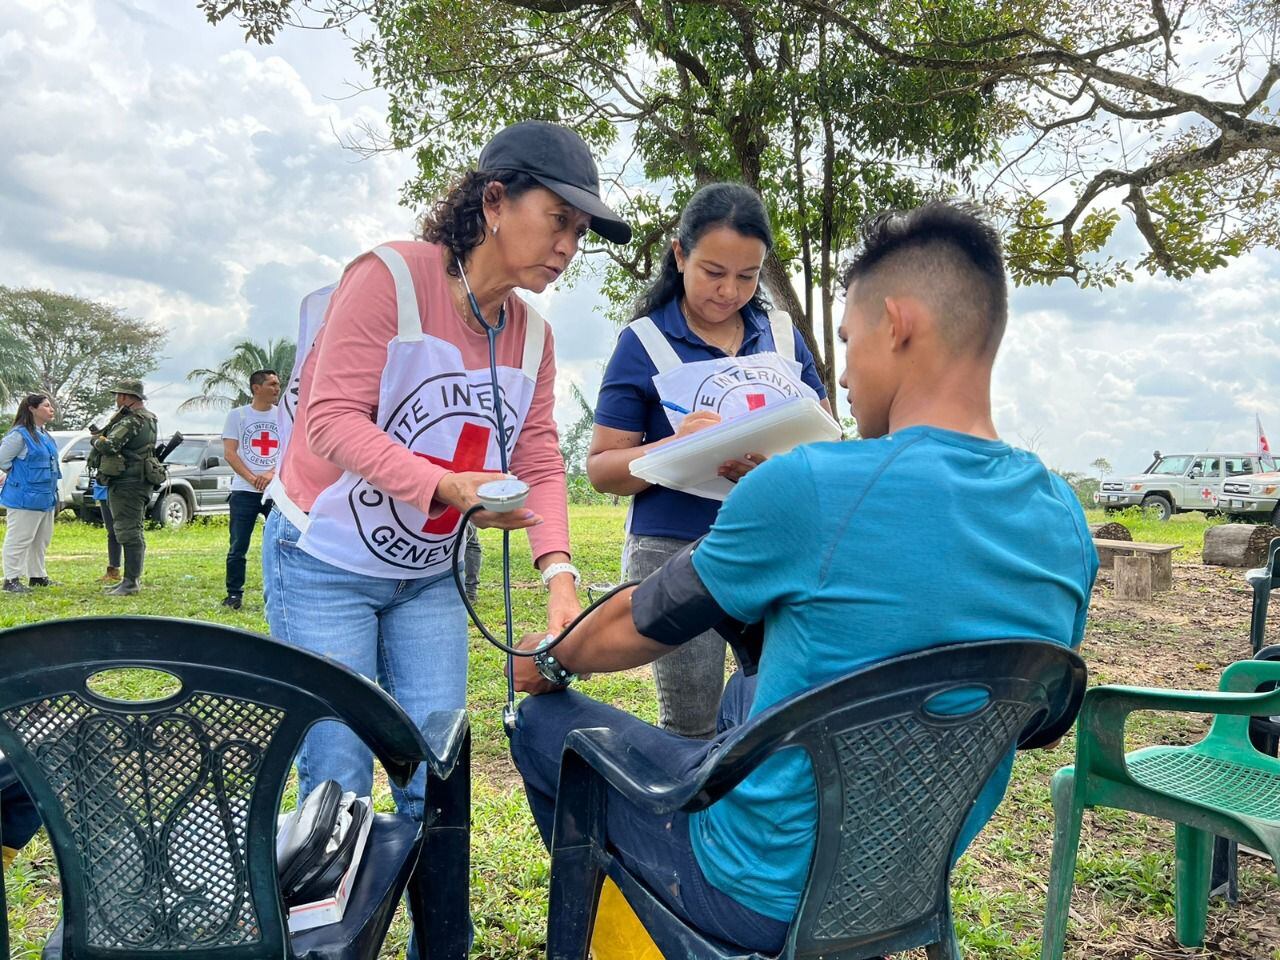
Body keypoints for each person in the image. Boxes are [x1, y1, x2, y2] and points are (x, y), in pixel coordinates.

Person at [509, 200, 1098, 953]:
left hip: (752, 890)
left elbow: (636, 622)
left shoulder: (813, 486)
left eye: (849, 343)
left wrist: (550, 658)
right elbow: (1036, 725)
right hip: (907, 881)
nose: (843, 378)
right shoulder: (1065, 522)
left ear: (899, 323)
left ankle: (640, 936)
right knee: (743, 694)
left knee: (538, 724)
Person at [262, 121, 631, 953]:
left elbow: (538, 452)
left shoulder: (531, 333)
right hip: (324, 561)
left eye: (581, 232)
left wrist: (561, 575)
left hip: (428, 573)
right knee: (338, 778)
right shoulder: (390, 278)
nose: (569, 246)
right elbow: (328, 421)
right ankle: (330, 946)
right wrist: (446, 486)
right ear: (494, 200)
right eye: (560, 219)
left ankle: (442, 945)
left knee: (436, 764)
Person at [587, 182, 829, 738]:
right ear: (679, 255)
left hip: (773, 546)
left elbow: (824, 439)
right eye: (713, 272)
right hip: (671, 553)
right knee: (690, 725)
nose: (730, 291)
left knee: (780, 718)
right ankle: (690, 824)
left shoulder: (784, 339)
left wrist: (785, 467)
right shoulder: (643, 342)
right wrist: (676, 445)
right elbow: (602, 468)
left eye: (748, 276)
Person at [87, 379, 158, 597]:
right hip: (135, 480)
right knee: (131, 529)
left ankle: (130, 582)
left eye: (119, 396)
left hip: (128, 482)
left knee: (128, 531)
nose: (117, 400)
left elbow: (110, 445)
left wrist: (96, 439)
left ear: (126, 397)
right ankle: (129, 580)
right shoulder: (148, 418)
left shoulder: (133, 420)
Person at [220, 369, 281, 610]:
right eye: (271, 384)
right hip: (244, 491)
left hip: (275, 491)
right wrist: (252, 478)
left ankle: (277, 593)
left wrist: (270, 474)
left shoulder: (283, 416)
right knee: (238, 546)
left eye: (278, 384)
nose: (276, 389)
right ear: (256, 388)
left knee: (278, 544)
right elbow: (230, 453)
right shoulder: (238, 416)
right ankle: (234, 594)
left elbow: (290, 450)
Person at [0, 394, 61, 593]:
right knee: (19, 538)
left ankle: (37, 575)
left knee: (41, 538)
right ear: (32, 409)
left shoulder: (44, 434)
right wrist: (18, 476)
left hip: (45, 496)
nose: (51, 409)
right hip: (25, 496)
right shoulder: (19, 435)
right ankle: (11, 579)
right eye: (46, 406)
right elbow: (2, 460)